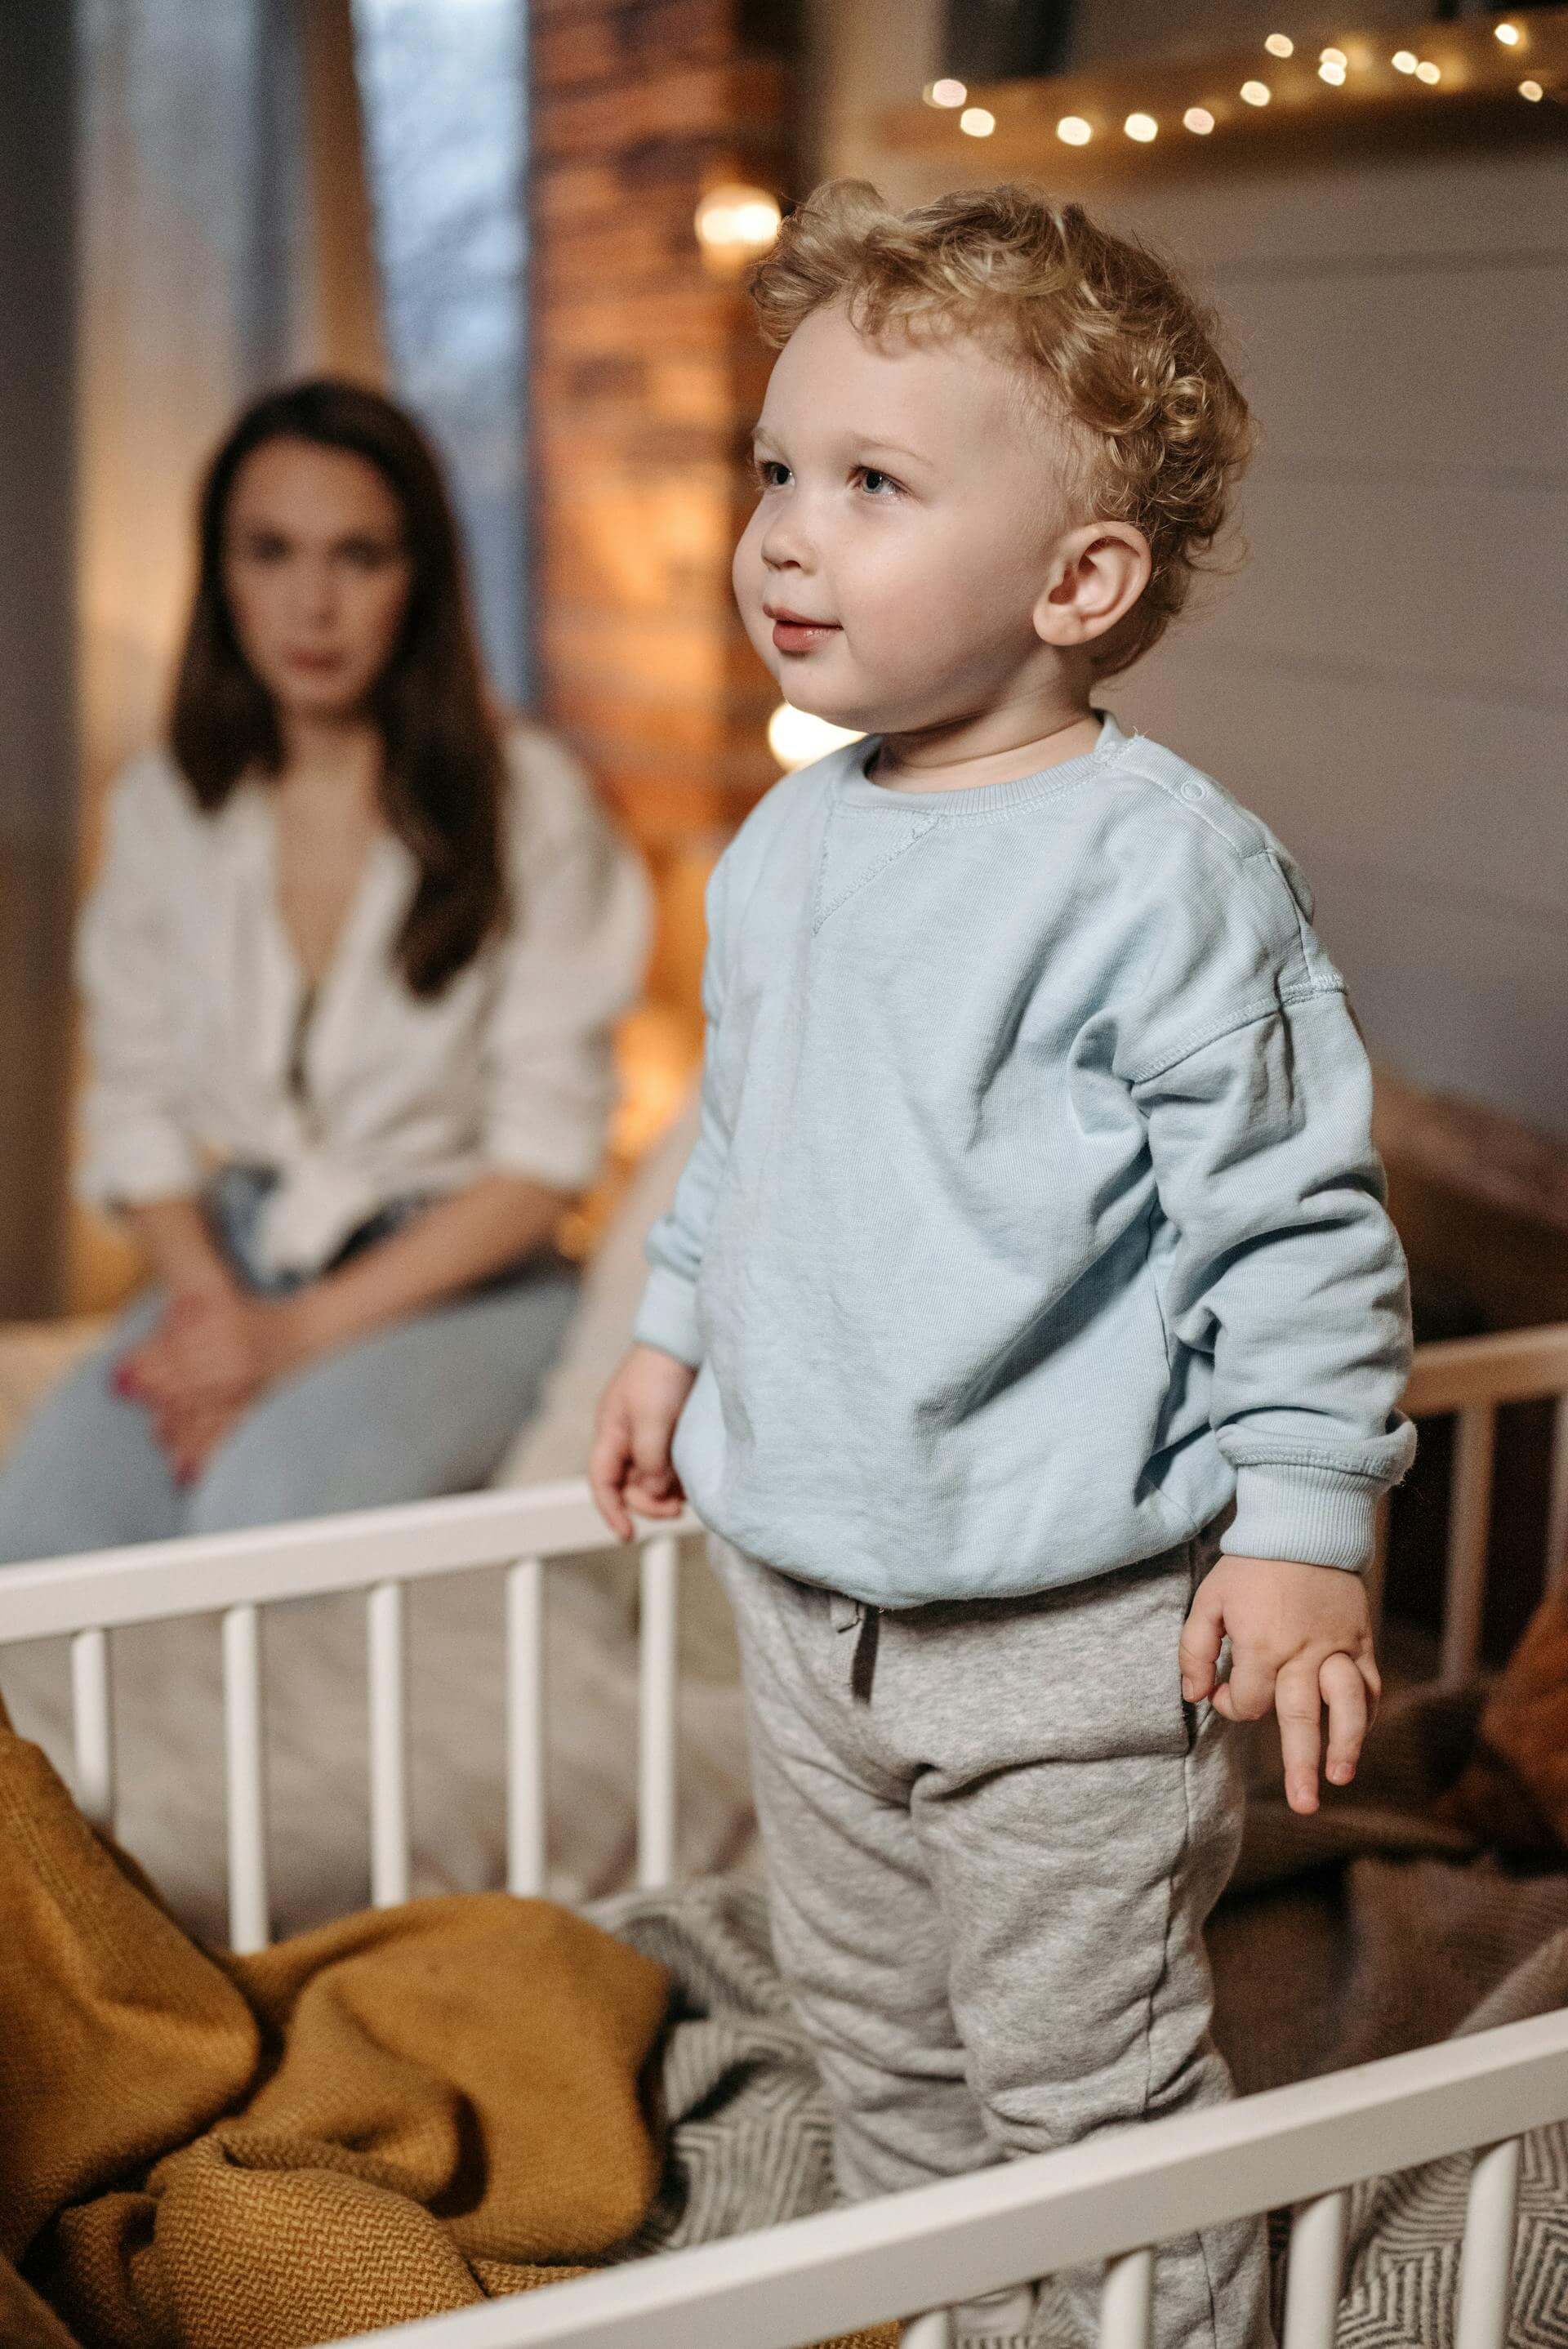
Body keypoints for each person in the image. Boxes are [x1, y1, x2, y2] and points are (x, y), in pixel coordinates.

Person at [590, 182, 1415, 2349]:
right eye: (776, 468)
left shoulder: (1164, 878)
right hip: (813, 1606)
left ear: (1078, 578)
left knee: (1083, 2086)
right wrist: (673, 1336)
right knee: (884, 2049)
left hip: (1072, 1639)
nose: (783, 531)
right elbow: (748, 1137)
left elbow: (1298, 1229)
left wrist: (1309, 1529)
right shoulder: (790, 841)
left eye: (869, 483)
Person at [0, 379, 649, 1562]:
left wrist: (289, 1341)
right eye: (271, 551)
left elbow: (542, 1165)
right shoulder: (167, 806)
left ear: (422, 579)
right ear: (223, 572)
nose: (312, 602)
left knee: (265, 1517)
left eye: (359, 555)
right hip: (238, 1256)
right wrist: (213, 1317)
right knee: (37, 1533)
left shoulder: (531, 807)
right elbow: (134, 1106)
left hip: (473, 1284)